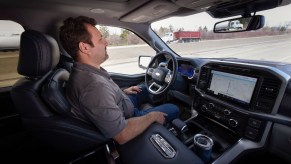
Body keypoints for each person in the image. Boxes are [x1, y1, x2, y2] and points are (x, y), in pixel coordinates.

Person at [59, 16, 179, 145]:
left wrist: (123, 92)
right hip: (129, 118)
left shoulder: (86, 71)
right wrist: (152, 117)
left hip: (122, 104)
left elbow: (104, 96)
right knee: (174, 108)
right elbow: (122, 134)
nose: (106, 42)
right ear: (84, 47)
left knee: (144, 87)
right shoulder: (93, 87)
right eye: (100, 39)